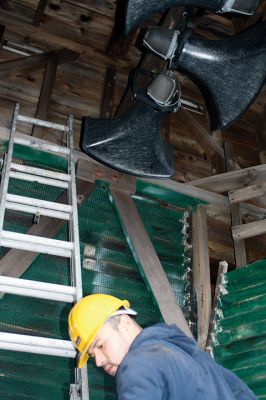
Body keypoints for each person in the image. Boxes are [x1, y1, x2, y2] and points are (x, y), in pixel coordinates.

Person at [68, 293, 256, 400]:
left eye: (100, 345)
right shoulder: (191, 355)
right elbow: (243, 394)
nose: (99, 361)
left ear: (124, 323)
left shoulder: (137, 364)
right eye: (92, 356)